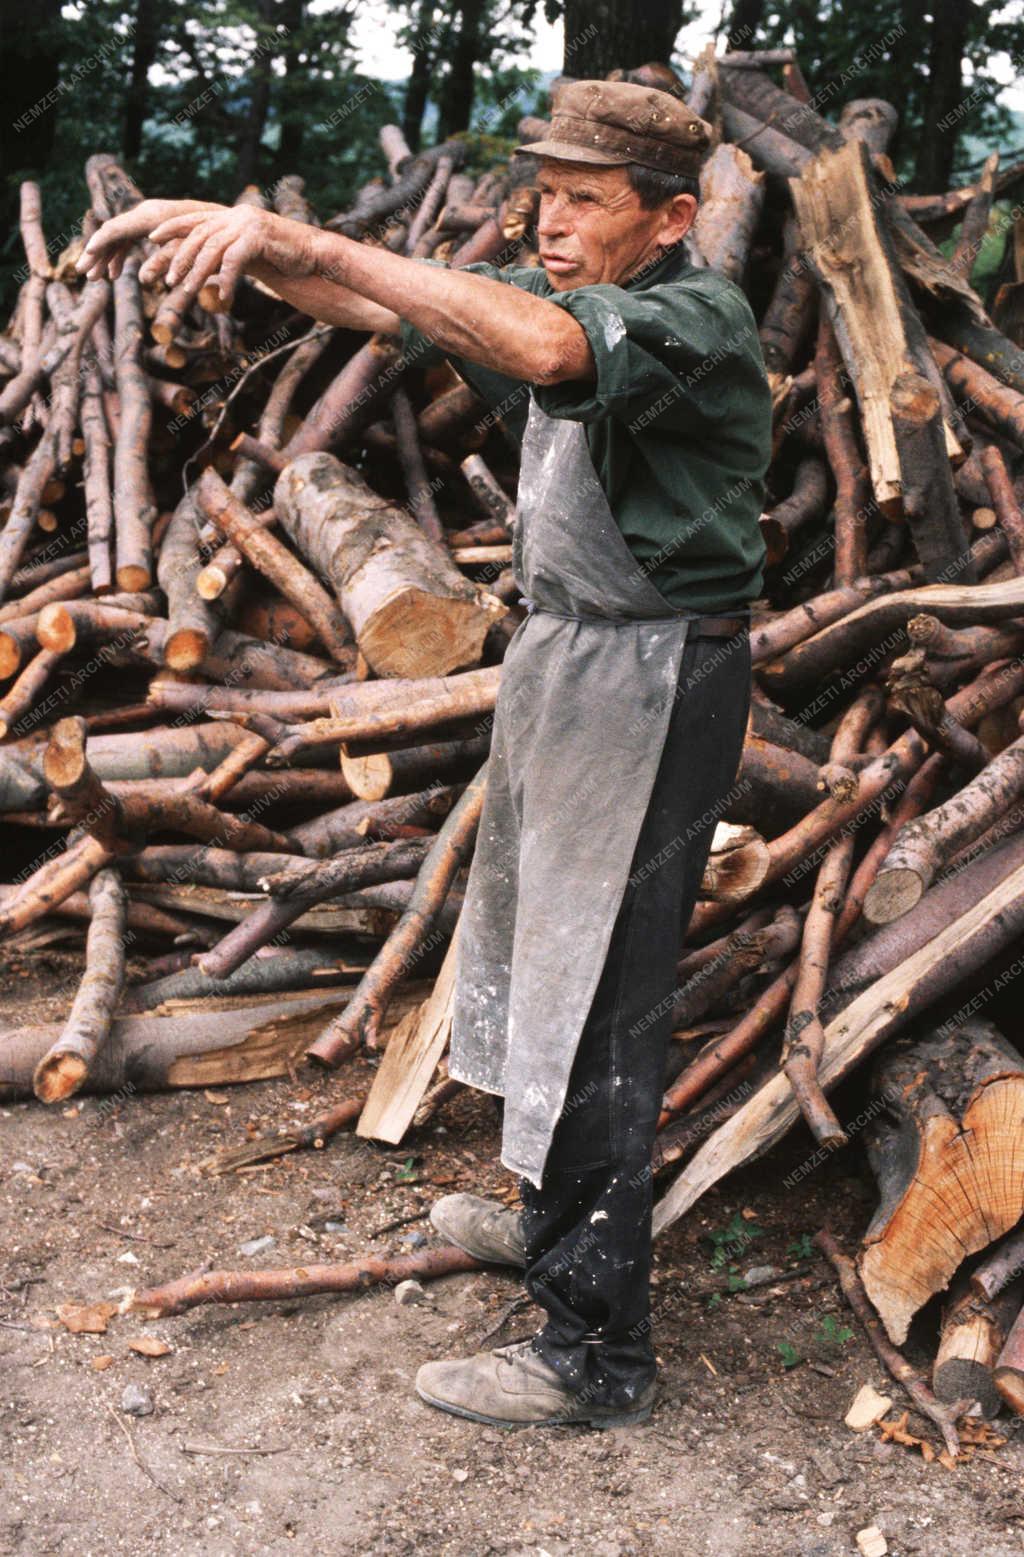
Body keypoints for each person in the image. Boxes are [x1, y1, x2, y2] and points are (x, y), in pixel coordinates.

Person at [79, 78, 771, 1431]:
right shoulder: (571, 285)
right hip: (575, 662)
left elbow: (551, 347)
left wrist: (326, 245)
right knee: (544, 950)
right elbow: (410, 306)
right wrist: (256, 240)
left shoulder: (696, 315)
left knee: (606, 993)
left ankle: (595, 1352)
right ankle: (555, 1221)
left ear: (672, 216)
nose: (552, 221)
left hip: (654, 677)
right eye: (547, 193)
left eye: (586, 201)